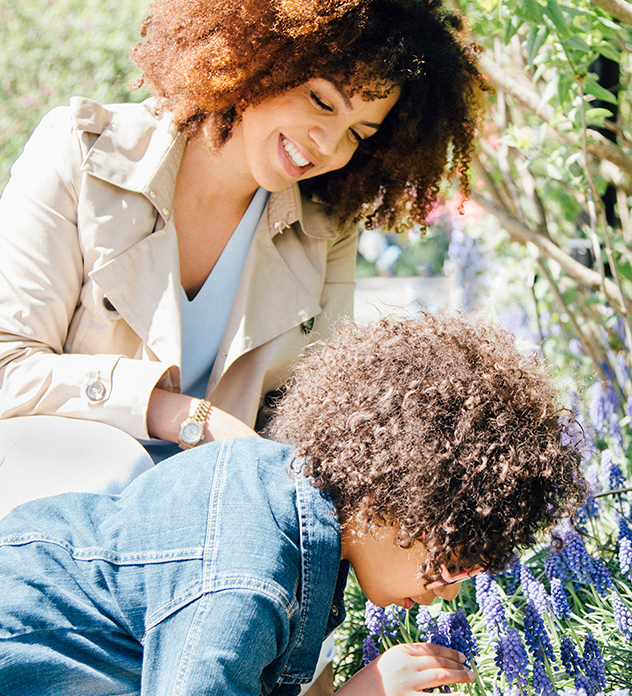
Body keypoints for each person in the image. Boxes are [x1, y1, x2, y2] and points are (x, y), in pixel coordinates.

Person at [0, 0, 487, 512]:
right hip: (54, 504)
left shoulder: (326, 230)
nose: (328, 146)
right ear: (262, 58)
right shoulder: (80, 155)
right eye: (321, 102)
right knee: (112, 469)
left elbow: (312, 420)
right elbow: (8, 367)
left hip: (211, 520)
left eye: (358, 133)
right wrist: (184, 417)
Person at [0, 313, 586, 695]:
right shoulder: (248, 579)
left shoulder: (280, 502)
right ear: (391, 496)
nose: (455, 588)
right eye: (455, 558)